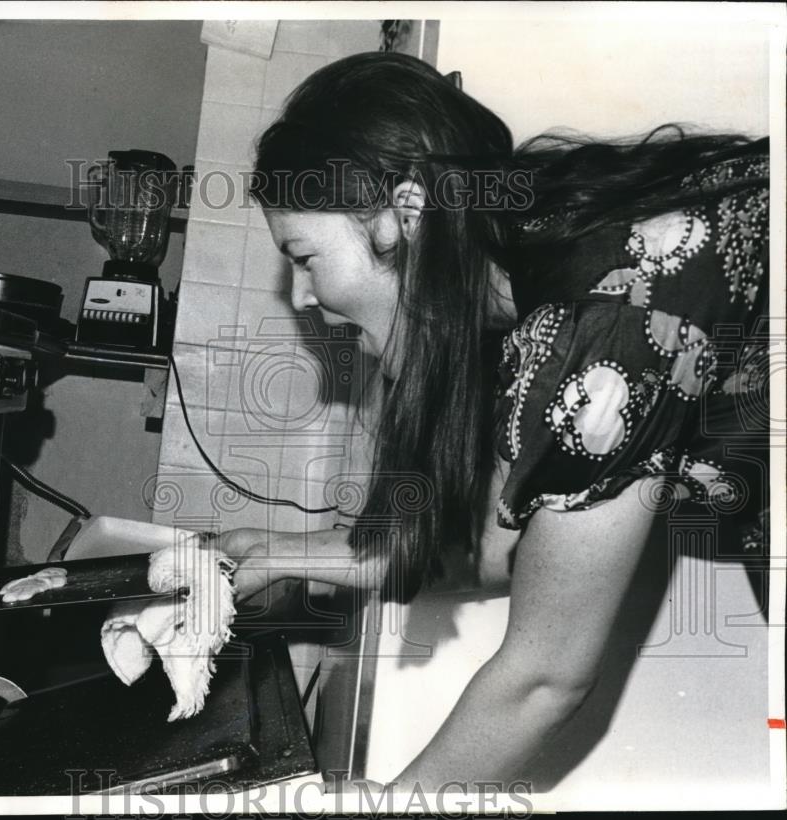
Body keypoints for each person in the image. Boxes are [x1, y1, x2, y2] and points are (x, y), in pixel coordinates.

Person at [216, 51, 771, 789]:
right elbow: (501, 542)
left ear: (402, 214)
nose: (304, 295)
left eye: (305, 256)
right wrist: (285, 553)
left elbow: (544, 679)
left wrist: (389, 807)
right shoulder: (527, 264)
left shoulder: (601, 322)